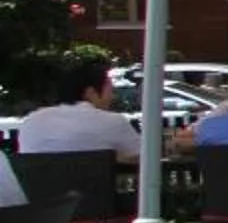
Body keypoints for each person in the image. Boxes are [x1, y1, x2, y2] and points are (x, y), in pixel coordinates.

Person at [14, 61, 144, 159]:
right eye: (110, 91)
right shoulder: (113, 122)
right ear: (90, 92)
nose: (113, 96)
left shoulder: (31, 121)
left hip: (38, 194)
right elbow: (143, 160)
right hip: (97, 193)